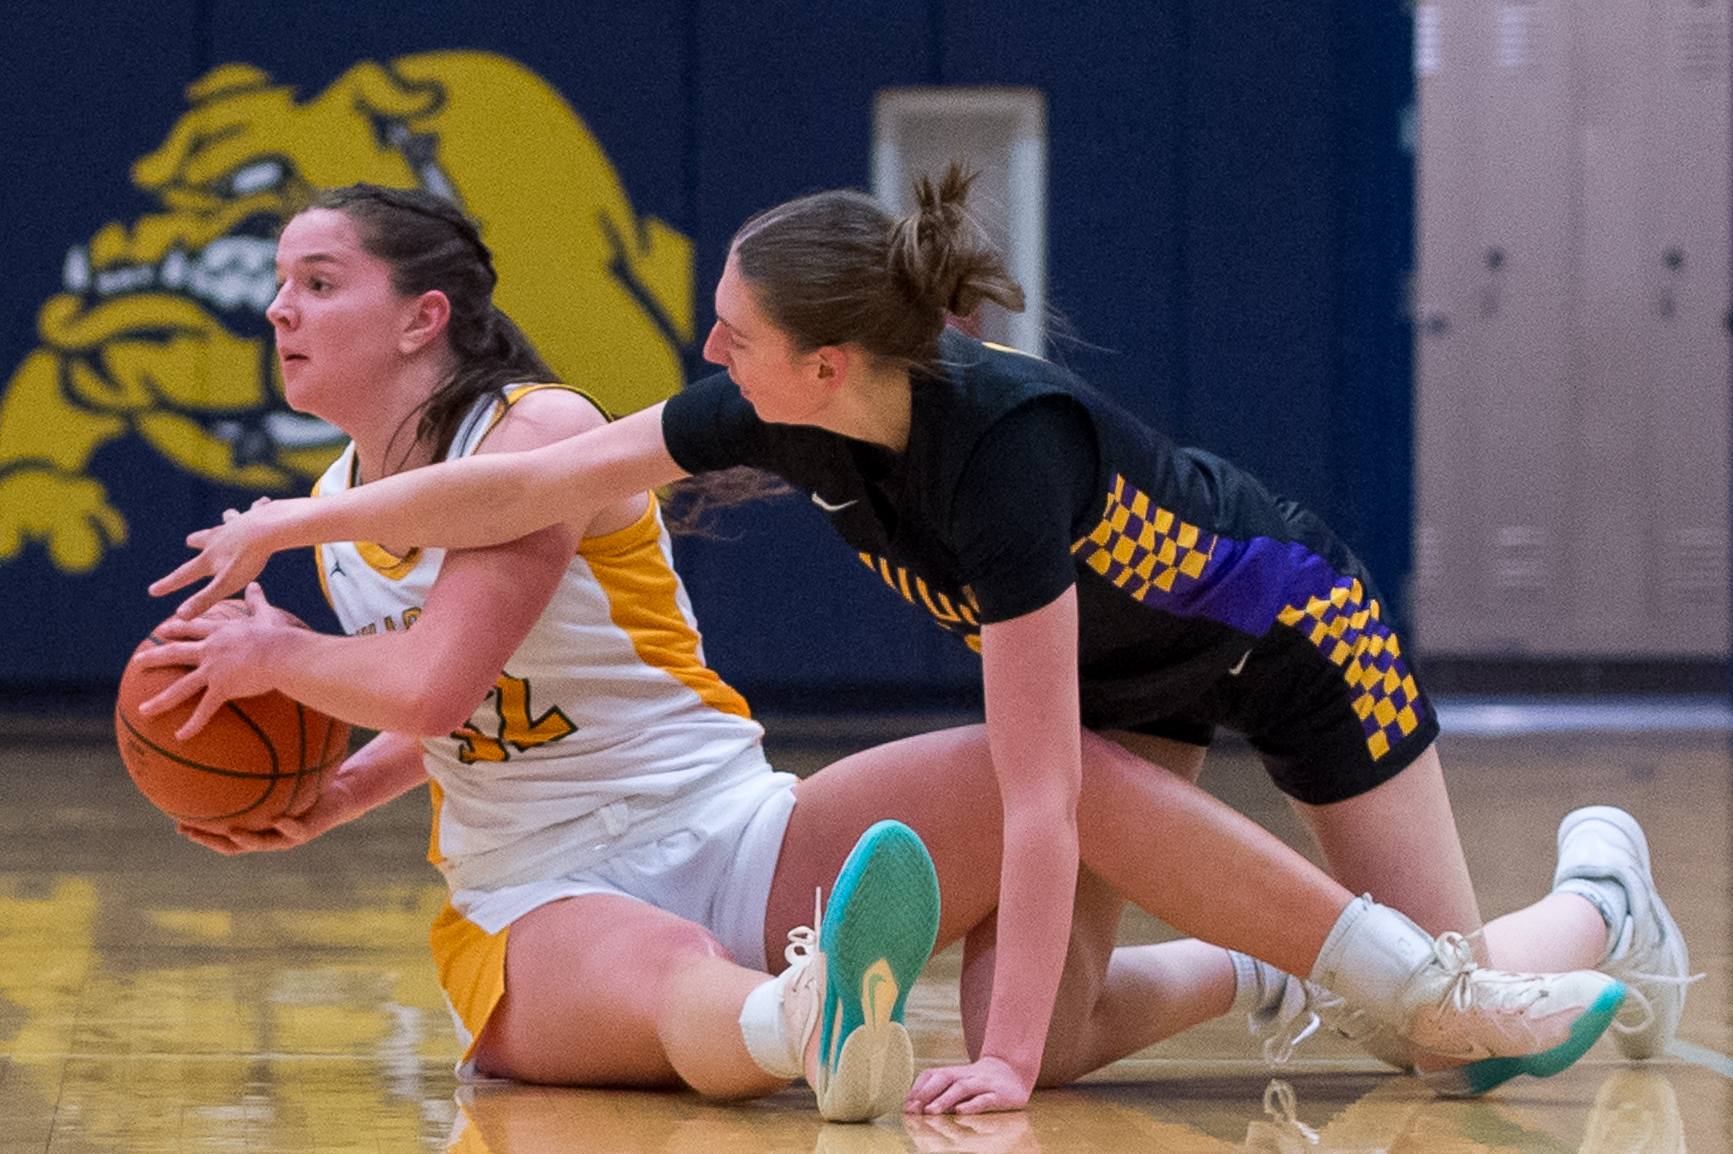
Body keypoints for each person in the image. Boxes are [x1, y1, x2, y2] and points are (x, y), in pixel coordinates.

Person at [143, 181, 1632, 1117]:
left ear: (825, 361)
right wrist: (294, 540)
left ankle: (1587, 910)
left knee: (1455, 1035)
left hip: (1285, 629)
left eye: (732, 330)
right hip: (1114, 674)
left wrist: (278, 648)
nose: (707, 356)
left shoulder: (1001, 454)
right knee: (1047, 1032)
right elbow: (513, 564)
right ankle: (1276, 966)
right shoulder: (774, 411)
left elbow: (1040, 797)